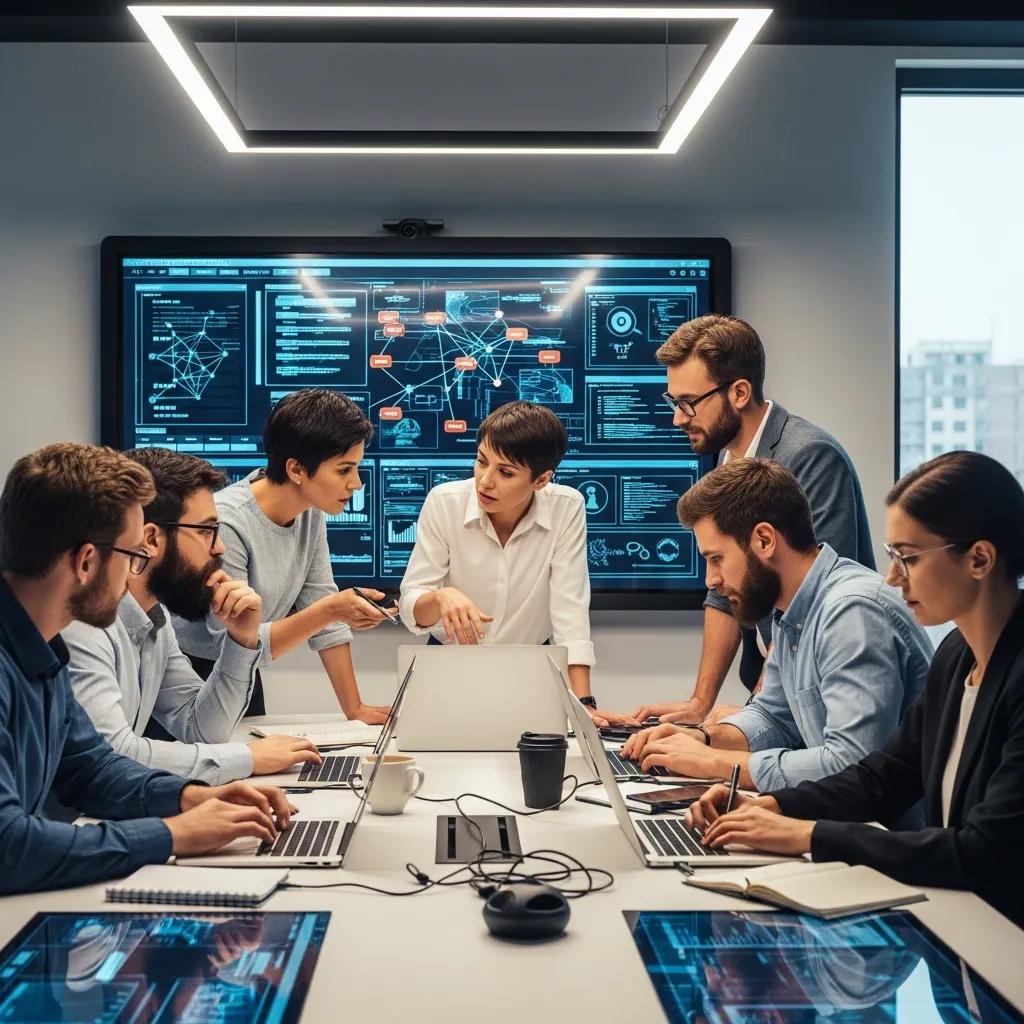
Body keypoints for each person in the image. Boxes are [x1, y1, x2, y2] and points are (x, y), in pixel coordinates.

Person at [686, 451, 1024, 929]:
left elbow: (982, 850)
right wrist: (774, 806)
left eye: (908, 558)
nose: (891, 577)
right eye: (892, 558)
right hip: (969, 924)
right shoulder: (957, 655)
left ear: (979, 558)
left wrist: (805, 835)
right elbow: (880, 777)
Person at [0, 443, 296, 894]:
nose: (134, 572)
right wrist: (174, 834)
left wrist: (194, 798)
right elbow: (8, 847)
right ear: (86, 562)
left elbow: (92, 768)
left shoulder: (44, 649)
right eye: (132, 557)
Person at [622, 458, 931, 804]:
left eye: (716, 559)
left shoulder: (852, 611)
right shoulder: (792, 608)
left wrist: (716, 763)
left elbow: (851, 765)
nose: (711, 580)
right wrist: (702, 739)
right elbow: (773, 717)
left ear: (764, 540)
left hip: (885, 841)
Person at [627, 314, 874, 725]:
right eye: (674, 403)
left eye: (688, 402)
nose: (678, 418)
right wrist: (700, 703)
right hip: (776, 697)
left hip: (821, 695)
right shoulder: (726, 463)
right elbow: (724, 591)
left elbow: (809, 601)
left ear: (739, 392)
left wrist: (755, 717)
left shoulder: (809, 456)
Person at [63, 448, 322, 785]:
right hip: (70, 829)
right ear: (152, 538)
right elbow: (112, 754)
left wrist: (241, 640)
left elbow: (200, 727)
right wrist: (246, 758)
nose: (219, 548)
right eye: (205, 531)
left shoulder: (155, 617)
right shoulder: (85, 624)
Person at [398, 401, 630, 727]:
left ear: (541, 480)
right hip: (447, 670)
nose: (485, 481)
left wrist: (583, 704)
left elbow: (570, 609)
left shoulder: (566, 507)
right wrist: (439, 597)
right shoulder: (444, 501)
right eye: (481, 462)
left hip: (530, 673)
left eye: (505, 472)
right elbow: (411, 609)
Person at [173, 389, 393, 724]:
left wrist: (355, 710)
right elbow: (229, 640)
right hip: (191, 675)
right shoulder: (228, 523)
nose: (357, 483)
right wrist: (330, 609)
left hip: (244, 669)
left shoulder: (309, 510)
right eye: (344, 470)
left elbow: (320, 601)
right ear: (296, 470)